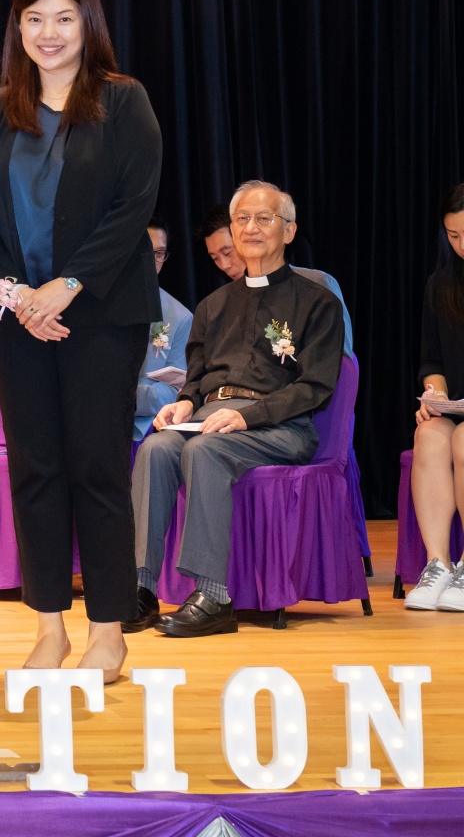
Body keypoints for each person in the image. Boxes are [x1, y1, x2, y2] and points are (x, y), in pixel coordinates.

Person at [0, 0, 161, 682]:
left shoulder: (123, 100)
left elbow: (134, 204)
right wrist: (20, 297)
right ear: (18, 28)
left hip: (101, 315)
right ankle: (49, 628)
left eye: (64, 19)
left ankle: (108, 631)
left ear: (88, 25)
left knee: (98, 469)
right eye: (35, 19)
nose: (49, 33)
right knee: (36, 470)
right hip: (16, 319)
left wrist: (67, 287)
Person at [129, 181, 344, 636]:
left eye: (264, 219)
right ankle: (140, 588)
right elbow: (197, 376)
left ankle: (214, 596)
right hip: (212, 418)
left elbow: (316, 386)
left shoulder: (318, 301)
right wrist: (184, 404)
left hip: (281, 426)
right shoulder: (213, 305)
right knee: (155, 449)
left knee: (204, 450)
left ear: (289, 231)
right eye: (242, 219)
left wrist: (248, 415)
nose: (250, 228)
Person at [405, 182, 464, 610]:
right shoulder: (440, 285)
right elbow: (432, 360)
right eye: (454, 235)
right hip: (458, 406)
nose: (462, 245)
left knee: (463, 440)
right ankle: (438, 564)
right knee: (428, 435)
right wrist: (434, 393)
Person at [203, 201, 354, 361]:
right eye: (215, 258)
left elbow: (341, 361)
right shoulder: (225, 302)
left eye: (227, 253)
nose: (224, 265)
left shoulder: (317, 285)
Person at [136, 220, 194, 440]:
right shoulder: (98, 306)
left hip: (145, 427)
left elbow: (178, 390)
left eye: (159, 253)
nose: (151, 261)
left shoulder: (179, 316)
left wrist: (128, 397)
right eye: (144, 251)